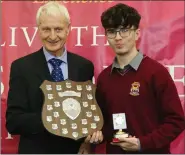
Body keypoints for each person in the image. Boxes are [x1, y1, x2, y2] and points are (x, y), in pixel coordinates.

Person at [6, 2, 102, 154]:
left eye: (58, 29)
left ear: (68, 29)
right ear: (38, 29)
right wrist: (53, 118)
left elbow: (87, 114)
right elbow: (13, 122)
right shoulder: (21, 67)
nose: (52, 36)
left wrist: (87, 143)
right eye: (46, 29)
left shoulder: (84, 66)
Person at [96, 3, 185, 154]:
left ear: (137, 33)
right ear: (106, 36)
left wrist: (141, 143)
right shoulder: (104, 78)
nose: (118, 37)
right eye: (112, 31)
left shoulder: (156, 72)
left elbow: (176, 121)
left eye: (124, 30)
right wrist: (97, 134)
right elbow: (103, 122)